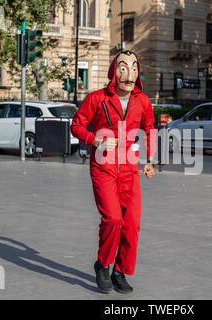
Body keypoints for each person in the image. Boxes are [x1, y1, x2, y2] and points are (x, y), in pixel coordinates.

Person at [71, 50, 156, 294]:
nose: (128, 73)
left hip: (129, 167)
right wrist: (95, 140)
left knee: (131, 223)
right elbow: (76, 125)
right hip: (103, 166)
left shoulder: (143, 101)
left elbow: (149, 129)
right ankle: (103, 264)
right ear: (113, 72)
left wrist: (150, 160)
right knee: (113, 219)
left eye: (133, 68)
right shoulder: (96, 99)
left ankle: (121, 271)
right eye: (122, 67)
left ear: (138, 72)